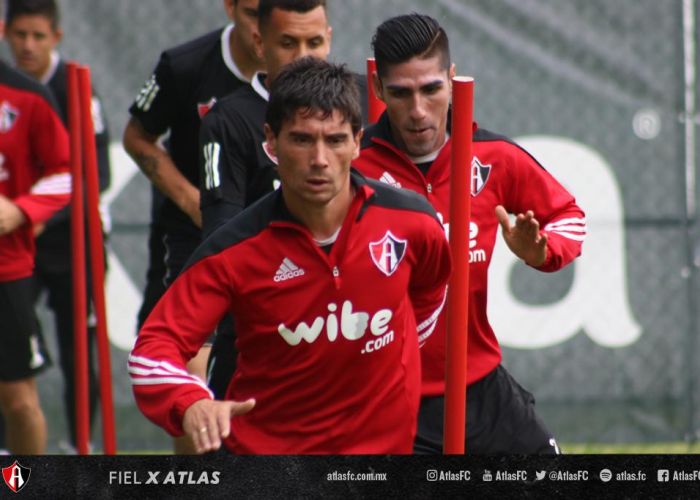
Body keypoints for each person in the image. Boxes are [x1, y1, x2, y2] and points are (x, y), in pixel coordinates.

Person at [129, 57, 452, 454]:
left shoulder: (413, 222)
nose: (320, 159)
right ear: (271, 141)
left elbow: (433, 289)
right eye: (302, 139)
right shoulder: (233, 250)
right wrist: (190, 402)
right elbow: (152, 351)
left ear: (356, 141)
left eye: (334, 140)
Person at [354, 13, 587, 454]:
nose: (418, 111)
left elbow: (569, 216)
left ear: (452, 80)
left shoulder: (493, 156)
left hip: (481, 387)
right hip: (387, 399)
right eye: (401, 93)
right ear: (380, 90)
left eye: (431, 89)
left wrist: (540, 251)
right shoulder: (353, 169)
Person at [123, 0, 264, 453]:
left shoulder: (305, 81)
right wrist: (191, 200)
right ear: (230, 7)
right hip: (194, 233)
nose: (262, 27)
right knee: (191, 375)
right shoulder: (184, 66)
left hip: (274, 236)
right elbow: (136, 135)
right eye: (252, 12)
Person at [4, 0, 111, 453]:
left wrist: (38, 213)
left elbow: (94, 173)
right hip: (17, 246)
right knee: (12, 365)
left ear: (56, 37)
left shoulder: (75, 91)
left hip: (72, 239)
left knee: (78, 348)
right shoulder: (11, 89)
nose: (28, 46)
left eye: (38, 36)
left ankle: (78, 447)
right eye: (20, 35)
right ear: (7, 33)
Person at [0, 2, 71, 454]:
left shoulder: (26, 95)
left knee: (20, 402)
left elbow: (66, 172)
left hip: (7, 270)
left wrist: (22, 210)